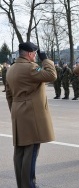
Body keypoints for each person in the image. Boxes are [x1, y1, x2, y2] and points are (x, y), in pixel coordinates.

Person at [5, 42, 57, 187]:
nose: (35, 56)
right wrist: (46, 60)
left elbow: (9, 95)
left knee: (20, 151)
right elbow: (52, 75)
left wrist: (15, 111)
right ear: (29, 54)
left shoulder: (11, 69)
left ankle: (22, 184)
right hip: (31, 115)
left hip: (18, 113)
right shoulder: (31, 67)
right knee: (31, 151)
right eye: (34, 53)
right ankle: (29, 185)